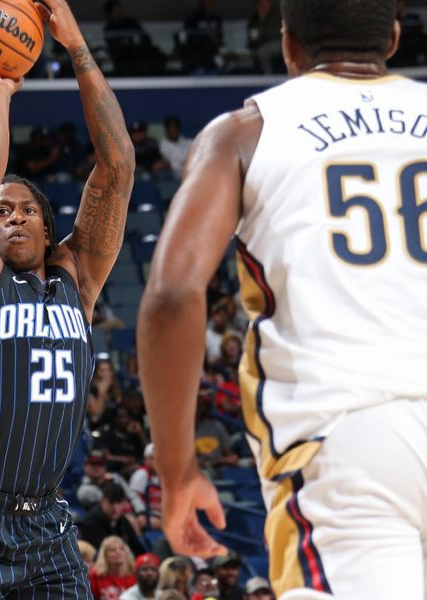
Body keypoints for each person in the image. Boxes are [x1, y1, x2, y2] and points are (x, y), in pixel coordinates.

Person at [137, 1, 427, 597]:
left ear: (289, 46)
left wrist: (177, 469)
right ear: (394, 38)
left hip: (348, 440)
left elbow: (171, 294)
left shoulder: (246, 131)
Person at [0, 1, 135, 594]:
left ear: (48, 227)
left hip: (49, 519)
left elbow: (116, 168)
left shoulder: (77, 281)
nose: (10, 219)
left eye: (26, 210)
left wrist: (77, 49)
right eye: (2, 214)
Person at [79, 480, 146, 557]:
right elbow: (96, 554)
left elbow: (138, 549)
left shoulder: (123, 521)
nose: (115, 508)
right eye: (111, 502)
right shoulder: (91, 521)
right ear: (102, 501)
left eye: (119, 502)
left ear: (124, 503)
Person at [88, 535, 136, 600]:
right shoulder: (95, 576)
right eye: (113, 550)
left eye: (121, 549)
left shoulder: (136, 574)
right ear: (105, 555)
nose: (118, 552)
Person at [247, 0, 283, 74]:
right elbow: (252, 37)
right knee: (256, 53)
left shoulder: (277, 16)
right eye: (261, 4)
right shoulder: (254, 19)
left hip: (279, 43)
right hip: (261, 45)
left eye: (266, 3)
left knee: (264, 51)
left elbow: (275, 33)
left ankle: (268, 76)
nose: (263, 6)